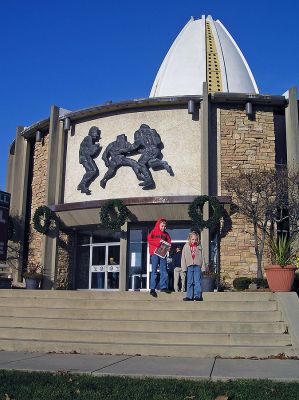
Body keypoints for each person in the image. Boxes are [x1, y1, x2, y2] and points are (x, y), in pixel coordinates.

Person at [147, 218, 171, 297]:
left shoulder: (166, 234)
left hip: (162, 253)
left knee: (163, 270)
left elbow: (169, 241)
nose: (163, 228)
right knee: (154, 271)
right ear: (158, 225)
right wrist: (159, 242)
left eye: (165, 226)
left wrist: (168, 246)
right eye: (162, 226)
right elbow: (149, 239)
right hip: (154, 253)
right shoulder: (154, 231)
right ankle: (152, 289)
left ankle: (163, 287)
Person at [181, 232, 206, 301]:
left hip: (197, 266)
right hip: (189, 266)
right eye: (193, 239)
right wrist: (184, 268)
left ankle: (197, 296)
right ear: (189, 239)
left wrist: (203, 268)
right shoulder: (185, 246)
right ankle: (189, 296)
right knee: (189, 281)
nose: (194, 241)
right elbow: (183, 258)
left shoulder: (199, 246)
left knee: (197, 281)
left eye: (195, 239)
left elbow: (202, 257)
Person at [77, 126, 101, 195]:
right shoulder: (88, 138)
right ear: (92, 133)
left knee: (92, 171)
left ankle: (82, 186)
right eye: (96, 135)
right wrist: (96, 147)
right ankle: (82, 185)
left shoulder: (88, 139)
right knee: (93, 170)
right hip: (85, 157)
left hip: (85, 157)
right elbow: (91, 152)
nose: (97, 137)